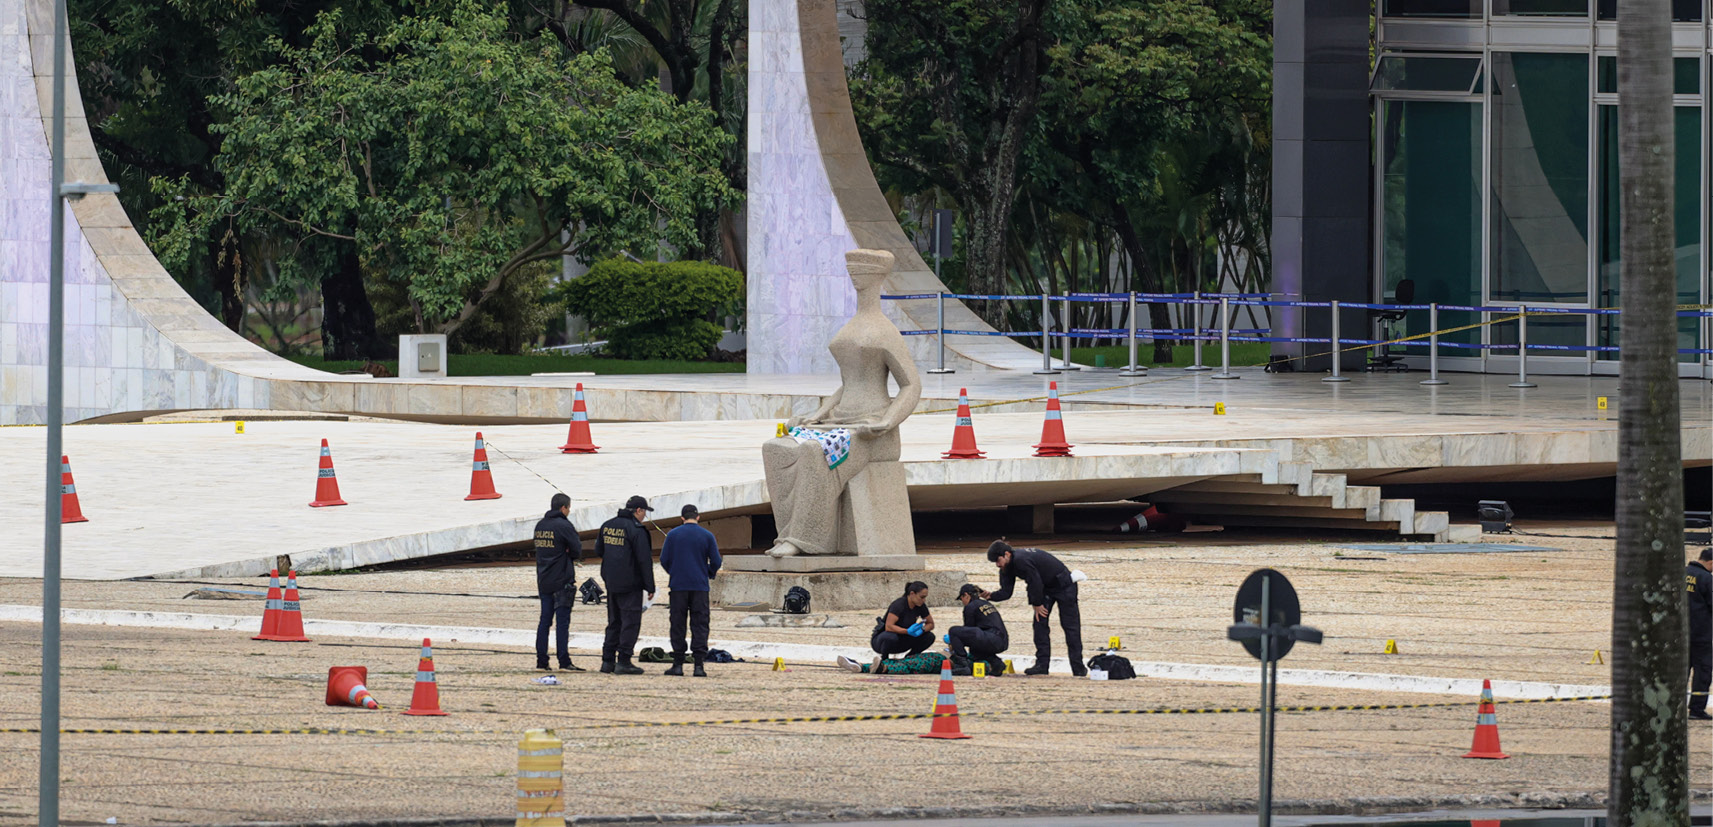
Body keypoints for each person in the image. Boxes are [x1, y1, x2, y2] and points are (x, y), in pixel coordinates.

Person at [983, 540, 1085, 677]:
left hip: (1064, 585)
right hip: (1046, 588)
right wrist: (990, 596)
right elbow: (1006, 592)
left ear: (1007, 554)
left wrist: (1036, 604)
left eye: (998, 560)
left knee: (1070, 626)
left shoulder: (1021, 560)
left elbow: (1034, 581)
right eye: (994, 562)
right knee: (1039, 625)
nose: (997, 564)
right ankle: (1042, 665)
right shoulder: (1006, 568)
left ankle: (1078, 668)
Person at [659, 504, 722, 677]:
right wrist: (708, 572)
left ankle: (678, 664)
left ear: (682, 518)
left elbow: (664, 559)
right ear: (698, 517)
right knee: (700, 624)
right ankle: (699, 666)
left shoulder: (672, 535)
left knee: (678, 624)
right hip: (699, 586)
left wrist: (675, 572)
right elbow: (716, 561)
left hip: (678, 585)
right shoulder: (707, 535)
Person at [598, 495, 656, 675]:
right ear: (638, 510)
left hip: (611, 582)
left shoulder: (607, 525)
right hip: (631, 583)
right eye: (644, 512)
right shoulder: (636, 529)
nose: (644, 516)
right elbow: (644, 560)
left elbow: (599, 550)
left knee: (614, 622)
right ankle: (623, 660)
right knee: (630, 622)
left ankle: (607, 661)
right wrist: (650, 586)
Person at [533, 493, 584, 672]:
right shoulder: (564, 525)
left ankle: (542, 661)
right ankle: (564, 661)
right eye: (568, 508)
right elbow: (577, 550)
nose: (569, 511)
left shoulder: (540, 525)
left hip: (544, 579)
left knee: (544, 621)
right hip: (562, 580)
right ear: (563, 508)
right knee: (562, 623)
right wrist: (568, 552)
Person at [947, 583, 1007, 675]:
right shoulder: (986, 603)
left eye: (961, 599)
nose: (962, 602)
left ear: (966, 595)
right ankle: (996, 663)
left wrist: (954, 642)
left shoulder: (970, 607)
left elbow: (968, 630)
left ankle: (962, 665)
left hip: (990, 637)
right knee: (976, 651)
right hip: (1002, 641)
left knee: (954, 631)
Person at [871, 581, 935, 659]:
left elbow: (931, 623)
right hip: (883, 641)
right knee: (890, 637)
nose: (924, 600)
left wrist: (922, 629)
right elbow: (889, 627)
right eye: (922, 597)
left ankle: (910, 657)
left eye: (925, 597)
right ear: (912, 594)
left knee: (929, 636)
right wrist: (907, 631)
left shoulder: (920, 606)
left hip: (903, 640)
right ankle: (884, 659)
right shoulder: (899, 605)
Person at [1690, 549, 1713, 719]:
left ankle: (1672, 707)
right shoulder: (1707, 578)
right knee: (1702, 673)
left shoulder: (1680, 573)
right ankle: (1696, 709)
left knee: (1678, 673)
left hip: (1678, 634)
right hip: (1701, 635)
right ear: (1711, 563)